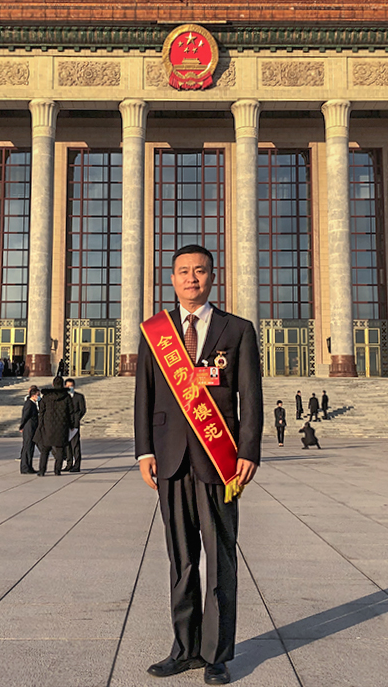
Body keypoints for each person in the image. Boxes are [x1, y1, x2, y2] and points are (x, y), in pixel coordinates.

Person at [135, 244, 262, 686]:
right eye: (184, 271)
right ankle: (184, 648)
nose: (192, 278)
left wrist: (248, 451)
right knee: (182, 558)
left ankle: (217, 655)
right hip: (170, 460)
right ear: (172, 279)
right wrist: (144, 451)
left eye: (200, 271)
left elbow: (251, 396)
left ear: (212, 276)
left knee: (220, 558)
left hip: (219, 460)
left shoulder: (237, 329)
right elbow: (145, 395)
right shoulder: (156, 332)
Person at [35, 376, 74, 476]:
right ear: (62, 385)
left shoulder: (46, 397)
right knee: (60, 450)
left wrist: (40, 425)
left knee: (45, 450)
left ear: (53, 384)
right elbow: (70, 412)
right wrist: (71, 425)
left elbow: (41, 412)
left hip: (47, 426)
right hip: (62, 426)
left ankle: (42, 470)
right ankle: (57, 470)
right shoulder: (66, 397)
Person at [63, 377, 87, 473]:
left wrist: (76, 420)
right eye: (68, 386)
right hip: (65, 425)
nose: (70, 388)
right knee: (67, 446)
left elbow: (82, 410)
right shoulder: (63, 397)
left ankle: (77, 465)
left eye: (71, 386)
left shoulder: (79, 397)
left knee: (75, 445)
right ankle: (69, 464)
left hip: (74, 425)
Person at [18, 386, 41, 474]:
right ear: (33, 395)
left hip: (33, 427)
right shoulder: (29, 403)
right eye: (38, 395)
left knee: (31, 448)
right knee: (27, 447)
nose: (39, 396)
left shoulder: (33, 404)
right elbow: (25, 416)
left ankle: (29, 466)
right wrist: (22, 426)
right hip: (29, 427)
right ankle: (25, 467)